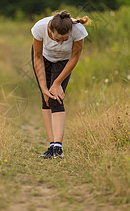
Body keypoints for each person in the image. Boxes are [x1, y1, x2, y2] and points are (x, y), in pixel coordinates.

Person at [30, 10, 92, 159]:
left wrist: (57, 83)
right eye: (57, 39)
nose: (60, 43)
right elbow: (37, 56)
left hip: (64, 62)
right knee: (46, 98)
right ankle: (51, 146)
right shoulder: (40, 27)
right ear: (50, 30)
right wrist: (44, 88)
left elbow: (75, 57)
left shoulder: (78, 31)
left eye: (64, 40)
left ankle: (58, 147)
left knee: (56, 98)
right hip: (43, 59)